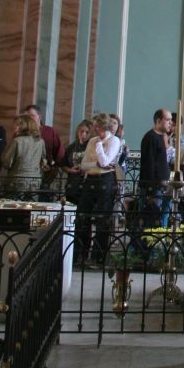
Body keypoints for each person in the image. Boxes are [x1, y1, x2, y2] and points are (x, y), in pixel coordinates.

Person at [79, 114, 122, 265]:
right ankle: (81, 254)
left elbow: (105, 161)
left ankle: (99, 256)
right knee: (83, 216)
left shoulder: (114, 140)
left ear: (103, 126)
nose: (95, 129)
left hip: (106, 180)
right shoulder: (91, 140)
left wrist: (99, 148)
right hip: (90, 179)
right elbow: (83, 165)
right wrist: (95, 164)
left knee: (102, 218)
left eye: (97, 126)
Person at [140, 108, 174, 227]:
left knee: (159, 220)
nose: (171, 122)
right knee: (151, 220)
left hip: (161, 186)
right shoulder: (151, 137)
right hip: (153, 188)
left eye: (171, 120)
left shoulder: (161, 137)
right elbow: (149, 164)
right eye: (168, 119)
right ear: (159, 120)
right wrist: (151, 190)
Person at [1, 115, 47, 199]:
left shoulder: (17, 141)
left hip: (17, 180)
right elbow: (43, 160)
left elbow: (7, 163)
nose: (14, 127)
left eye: (16, 124)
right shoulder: (40, 141)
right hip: (35, 180)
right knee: (31, 207)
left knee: (15, 207)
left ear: (23, 126)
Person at [24, 103, 61, 171]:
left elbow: (59, 151)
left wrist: (54, 166)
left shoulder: (49, 132)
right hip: (26, 170)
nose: (29, 119)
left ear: (39, 116)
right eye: (27, 117)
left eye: (32, 116)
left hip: (45, 170)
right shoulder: (22, 133)